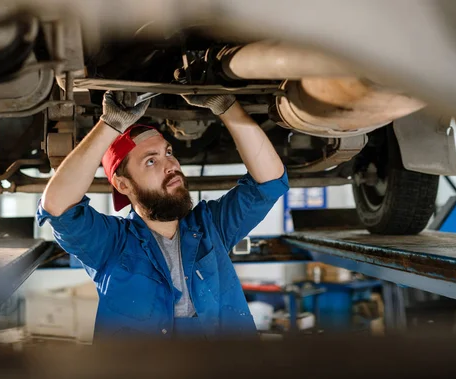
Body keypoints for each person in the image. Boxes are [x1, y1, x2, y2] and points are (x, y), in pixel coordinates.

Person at [37, 91, 288, 340]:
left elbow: (270, 180)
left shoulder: (211, 227)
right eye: (150, 161)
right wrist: (110, 125)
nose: (171, 165)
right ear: (123, 185)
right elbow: (58, 207)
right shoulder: (111, 244)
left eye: (168, 153)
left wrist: (227, 106)